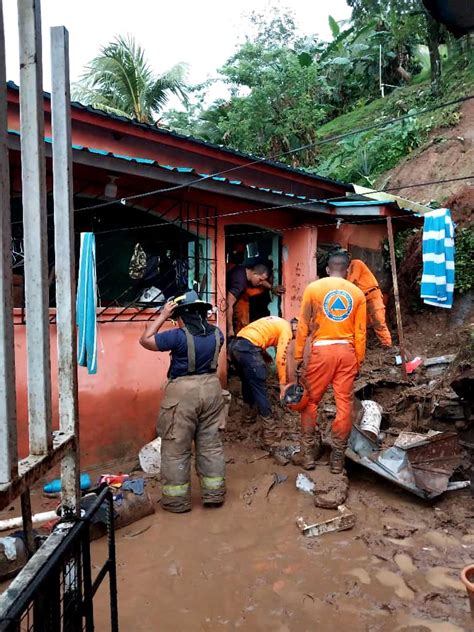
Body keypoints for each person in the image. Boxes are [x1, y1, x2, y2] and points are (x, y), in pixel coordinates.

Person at [139, 290, 226, 513]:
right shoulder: (218, 334)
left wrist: (161, 316)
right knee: (211, 445)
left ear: (181, 315)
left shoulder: (177, 336)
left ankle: (177, 501)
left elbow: (145, 340)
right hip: (212, 389)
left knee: (176, 447)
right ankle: (214, 494)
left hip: (182, 393)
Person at [294, 251, 367, 473]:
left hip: (321, 352)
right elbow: (361, 333)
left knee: (310, 402)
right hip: (347, 353)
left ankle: (308, 456)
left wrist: (298, 357)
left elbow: (303, 326)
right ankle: (337, 459)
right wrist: (358, 361)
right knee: (343, 405)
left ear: (327, 269)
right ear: (347, 271)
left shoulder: (313, 289)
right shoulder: (357, 294)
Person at [228, 316, 297, 447]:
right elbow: (281, 359)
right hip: (247, 348)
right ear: (297, 327)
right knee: (260, 385)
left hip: (235, 346)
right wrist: (283, 385)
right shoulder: (287, 330)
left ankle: (248, 417)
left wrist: (263, 352)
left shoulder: (278, 322)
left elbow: (257, 334)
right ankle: (270, 434)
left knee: (248, 382)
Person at [346, 256, 392, 347]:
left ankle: (387, 344)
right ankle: (363, 345)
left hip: (372, 295)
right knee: (362, 324)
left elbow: (353, 280)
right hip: (361, 299)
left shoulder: (356, 263)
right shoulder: (346, 270)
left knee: (378, 321)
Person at [226, 262, 271, 336]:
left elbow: (262, 282)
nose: (261, 283)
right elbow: (228, 305)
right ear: (254, 274)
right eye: (260, 280)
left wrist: (272, 288)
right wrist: (230, 329)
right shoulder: (239, 283)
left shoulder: (244, 270)